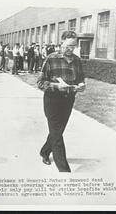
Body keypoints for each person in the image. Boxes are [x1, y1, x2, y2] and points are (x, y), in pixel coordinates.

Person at [37, 30, 86, 172]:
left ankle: (45, 152)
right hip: (52, 100)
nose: (71, 49)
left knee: (57, 132)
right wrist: (56, 86)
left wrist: (82, 86)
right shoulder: (51, 58)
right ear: (62, 42)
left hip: (68, 100)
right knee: (57, 135)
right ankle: (65, 171)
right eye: (69, 45)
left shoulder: (77, 60)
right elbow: (40, 82)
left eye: (74, 46)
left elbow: (81, 78)